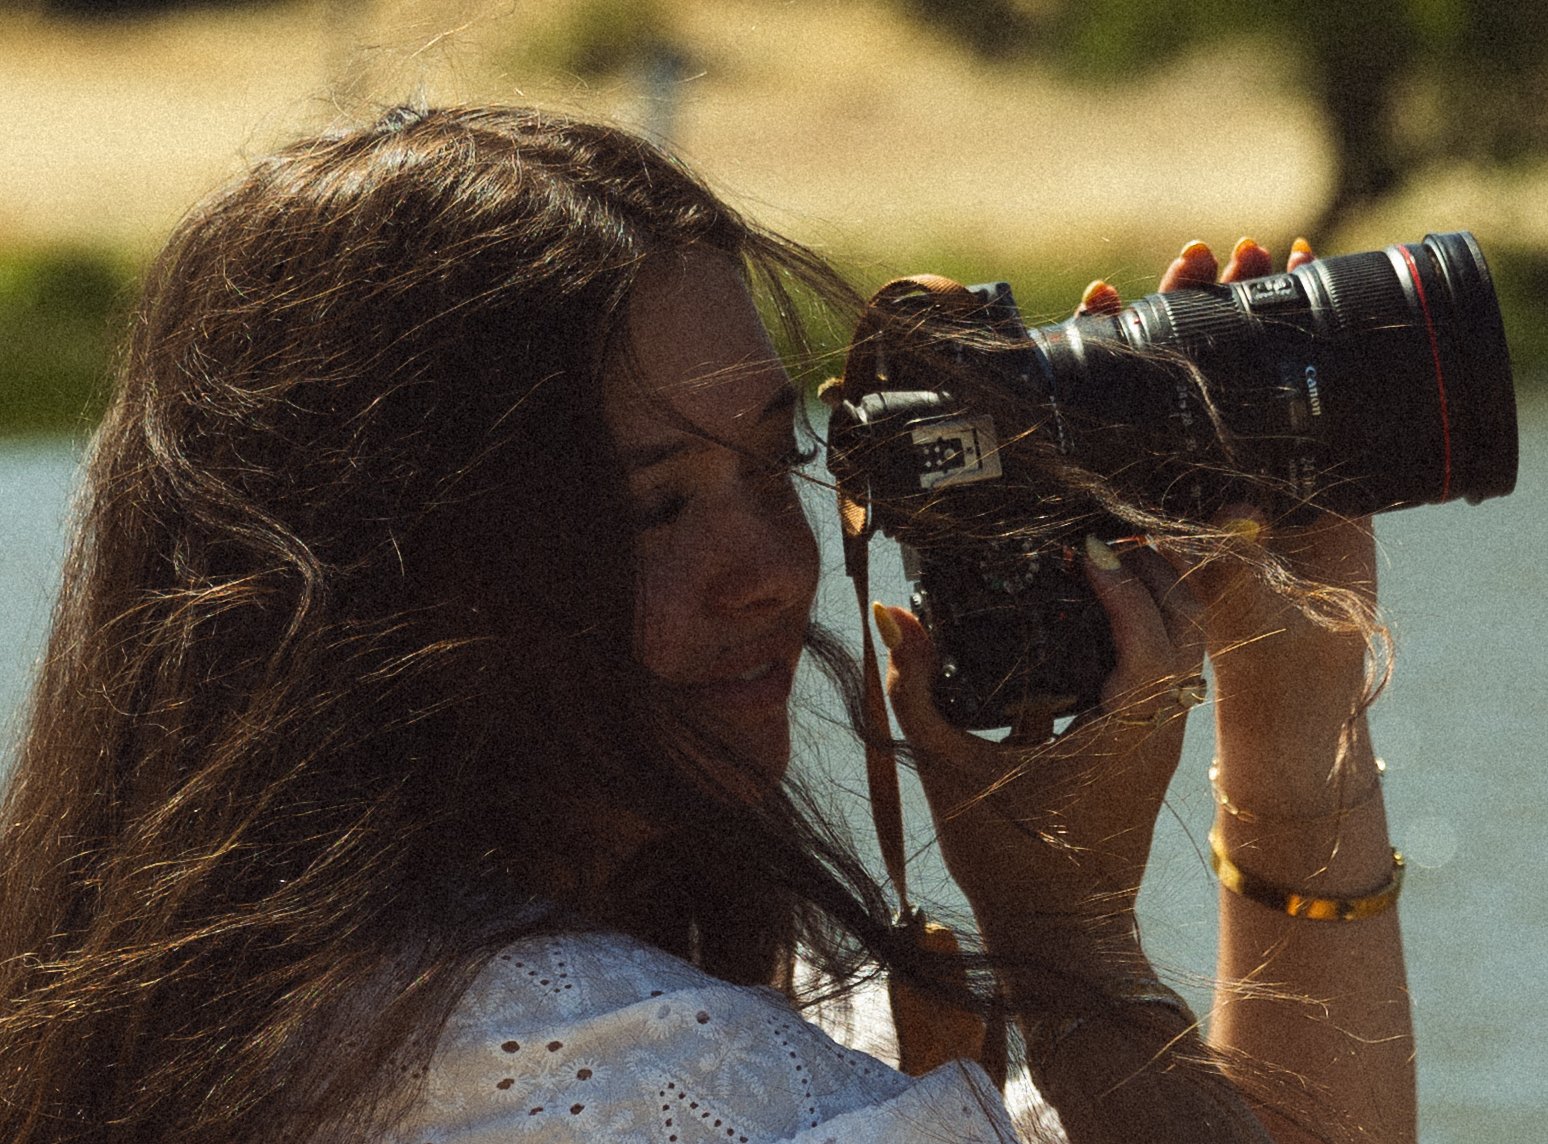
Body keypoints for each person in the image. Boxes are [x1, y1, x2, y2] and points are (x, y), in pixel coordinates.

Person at [0, 105, 1414, 1143]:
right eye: (652, 509)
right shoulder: (589, 1072)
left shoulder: (265, 996)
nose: (769, 574)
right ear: (388, 578)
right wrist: (1069, 938)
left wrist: (1290, 718)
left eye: (770, 463)